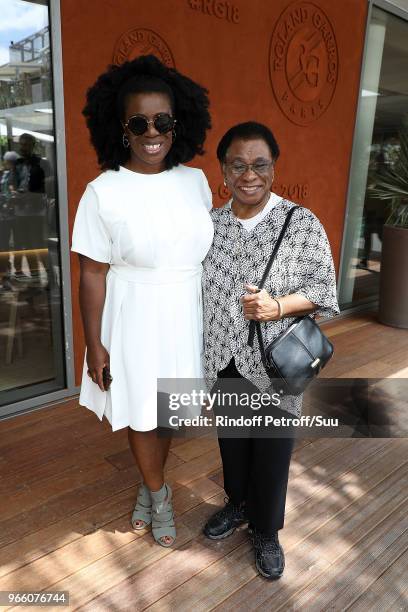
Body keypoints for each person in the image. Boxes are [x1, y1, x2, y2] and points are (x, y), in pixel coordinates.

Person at [71, 55, 213, 548]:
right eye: (139, 122)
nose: (153, 131)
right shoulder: (102, 191)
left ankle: (148, 487)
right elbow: (91, 272)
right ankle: (160, 493)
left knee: (169, 410)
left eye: (163, 120)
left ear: (179, 124)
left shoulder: (194, 181)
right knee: (140, 410)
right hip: (133, 313)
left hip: (184, 311)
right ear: (122, 128)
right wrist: (95, 344)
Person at [202, 122, 339, 579]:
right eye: (237, 165)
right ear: (223, 171)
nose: (249, 174)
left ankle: (266, 529)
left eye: (259, 164)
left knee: (273, 450)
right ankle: (237, 505)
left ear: (273, 169)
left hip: (277, 362)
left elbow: (324, 290)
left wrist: (277, 305)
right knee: (233, 444)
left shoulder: (300, 223)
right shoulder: (209, 225)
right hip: (223, 356)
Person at [0, 151, 18, 291]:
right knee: (4, 246)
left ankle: (8, 275)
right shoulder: (5, 175)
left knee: (7, 246)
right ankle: (6, 275)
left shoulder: (15, 175)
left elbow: (12, 194)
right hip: (4, 216)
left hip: (11, 216)